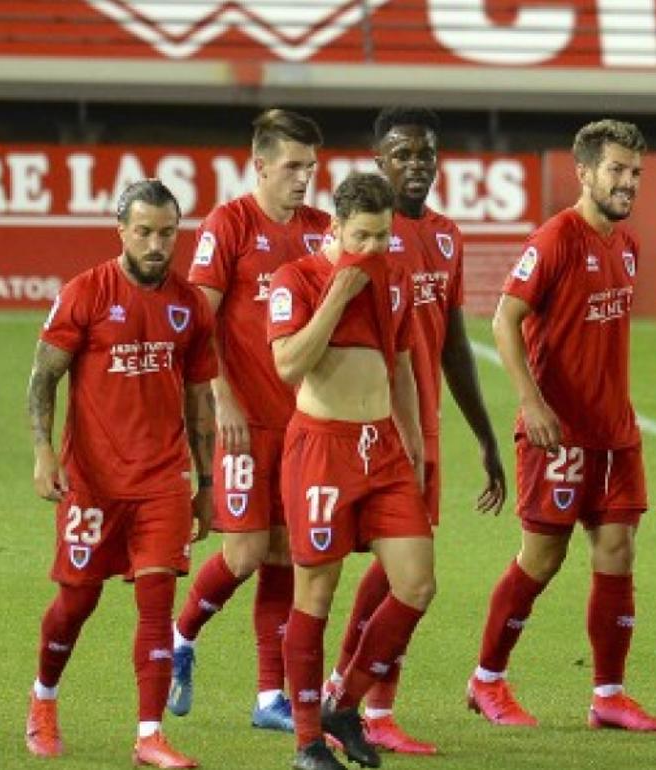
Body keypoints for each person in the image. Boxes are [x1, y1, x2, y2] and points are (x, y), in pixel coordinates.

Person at [464, 120, 656, 733]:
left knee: (617, 550)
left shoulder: (626, 245)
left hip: (615, 432)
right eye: (616, 171)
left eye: (635, 173)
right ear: (584, 172)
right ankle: (487, 680)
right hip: (559, 434)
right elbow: (505, 318)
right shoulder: (554, 239)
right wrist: (532, 403)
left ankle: (608, 694)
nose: (627, 183)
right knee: (542, 558)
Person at [324, 107, 505, 755]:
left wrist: (484, 434)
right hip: (366, 426)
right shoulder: (362, 235)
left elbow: (454, 346)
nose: (417, 165)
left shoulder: (448, 237)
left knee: (397, 571)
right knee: (400, 573)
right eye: (402, 154)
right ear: (379, 158)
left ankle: (348, 695)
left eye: (426, 154)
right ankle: (361, 704)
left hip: (420, 425)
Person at [24, 180, 217, 769]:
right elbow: (43, 376)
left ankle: (149, 736)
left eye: (167, 233)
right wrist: (43, 452)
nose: (157, 244)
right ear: (121, 231)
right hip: (92, 482)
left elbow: (198, 400)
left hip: (161, 481)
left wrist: (206, 485)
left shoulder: (190, 305)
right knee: (75, 602)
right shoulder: (85, 293)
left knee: (157, 604)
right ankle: (43, 699)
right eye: (145, 232)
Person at [170, 109, 330, 731]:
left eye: (310, 167)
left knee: (286, 556)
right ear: (259, 164)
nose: (303, 178)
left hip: (302, 424)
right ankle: (183, 636)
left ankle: (270, 698)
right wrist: (222, 397)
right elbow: (196, 317)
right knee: (243, 552)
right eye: (292, 166)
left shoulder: (322, 230)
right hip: (242, 423)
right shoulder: (229, 224)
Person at [268, 172, 433, 770]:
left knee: (416, 584)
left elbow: (405, 363)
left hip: (382, 446)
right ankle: (308, 740)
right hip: (322, 448)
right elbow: (288, 365)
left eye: (383, 236)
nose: (373, 248)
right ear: (334, 227)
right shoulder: (297, 280)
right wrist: (338, 294)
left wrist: (414, 439)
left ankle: (345, 704)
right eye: (361, 235)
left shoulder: (396, 278)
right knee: (316, 591)